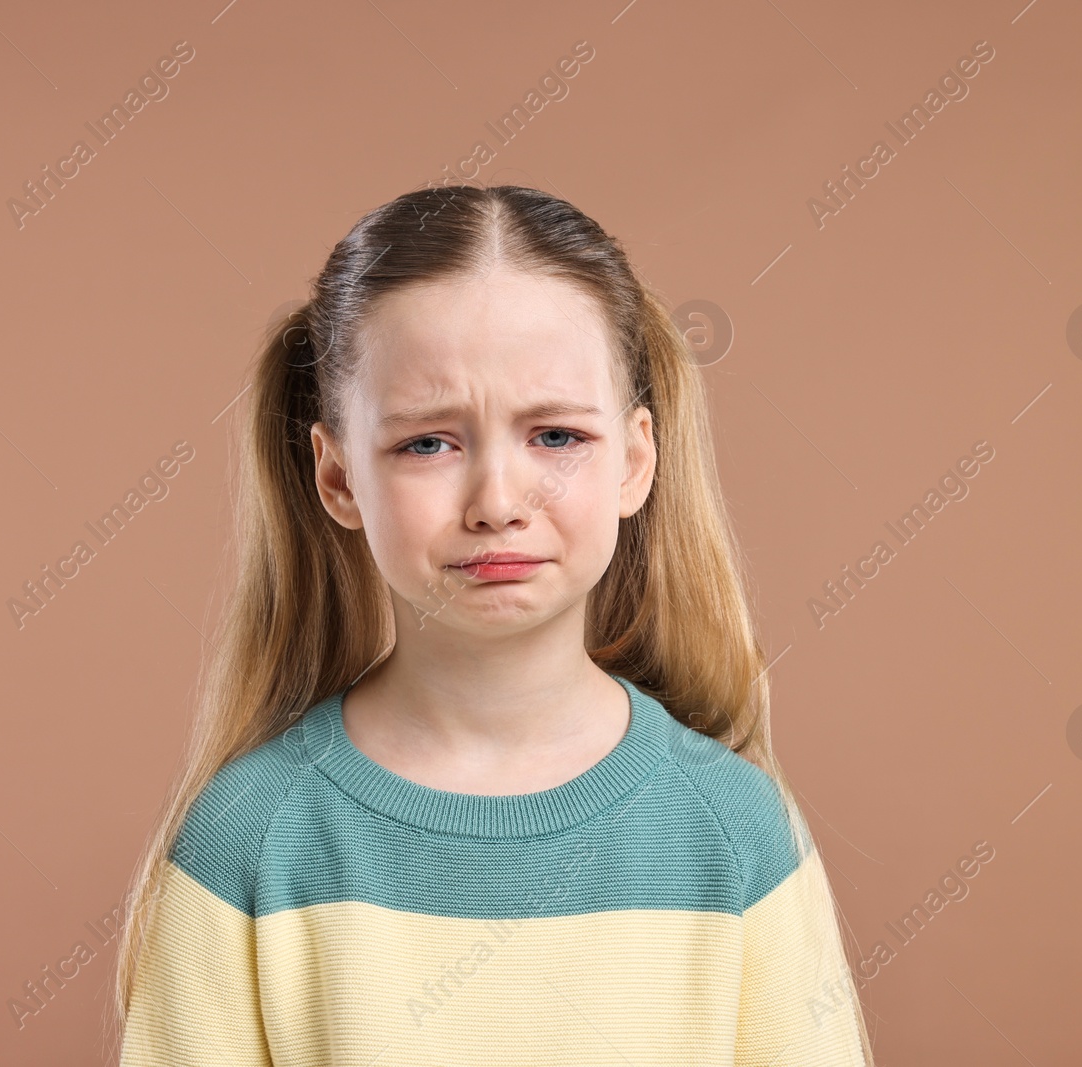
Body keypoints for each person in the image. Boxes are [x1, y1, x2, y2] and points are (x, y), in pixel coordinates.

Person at [109, 183, 876, 1065]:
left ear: (634, 461)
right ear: (338, 478)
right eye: (428, 442)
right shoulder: (248, 838)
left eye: (554, 436)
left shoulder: (735, 830)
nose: (499, 501)